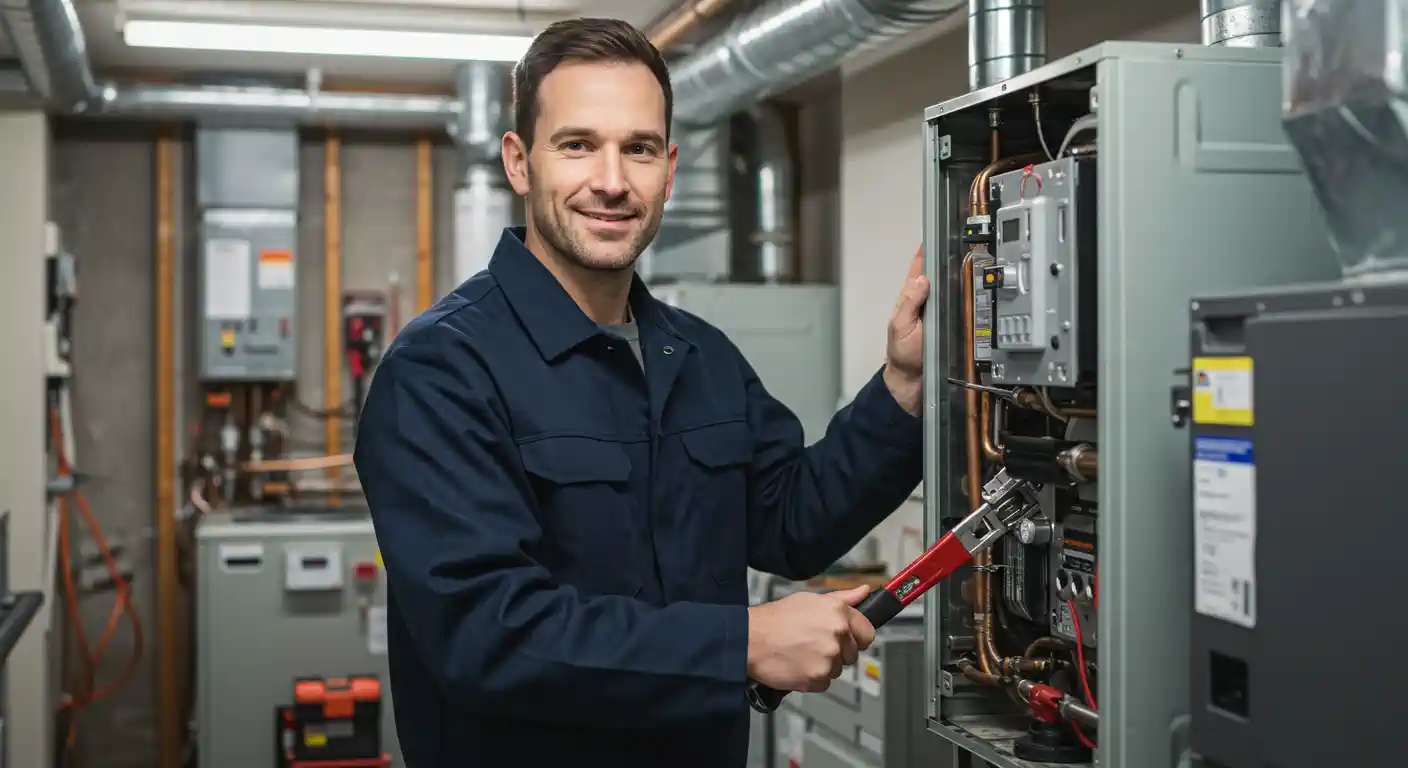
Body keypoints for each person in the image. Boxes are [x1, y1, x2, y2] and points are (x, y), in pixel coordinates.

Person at [353, 16, 929, 767]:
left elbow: (792, 520)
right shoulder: (440, 371)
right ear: (519, 162)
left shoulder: (699, 356)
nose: (613, 181)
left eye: (639, 148)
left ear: (671, 167)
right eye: (578, 144)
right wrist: (743, 642)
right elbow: (486, 634)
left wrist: (904, 385)